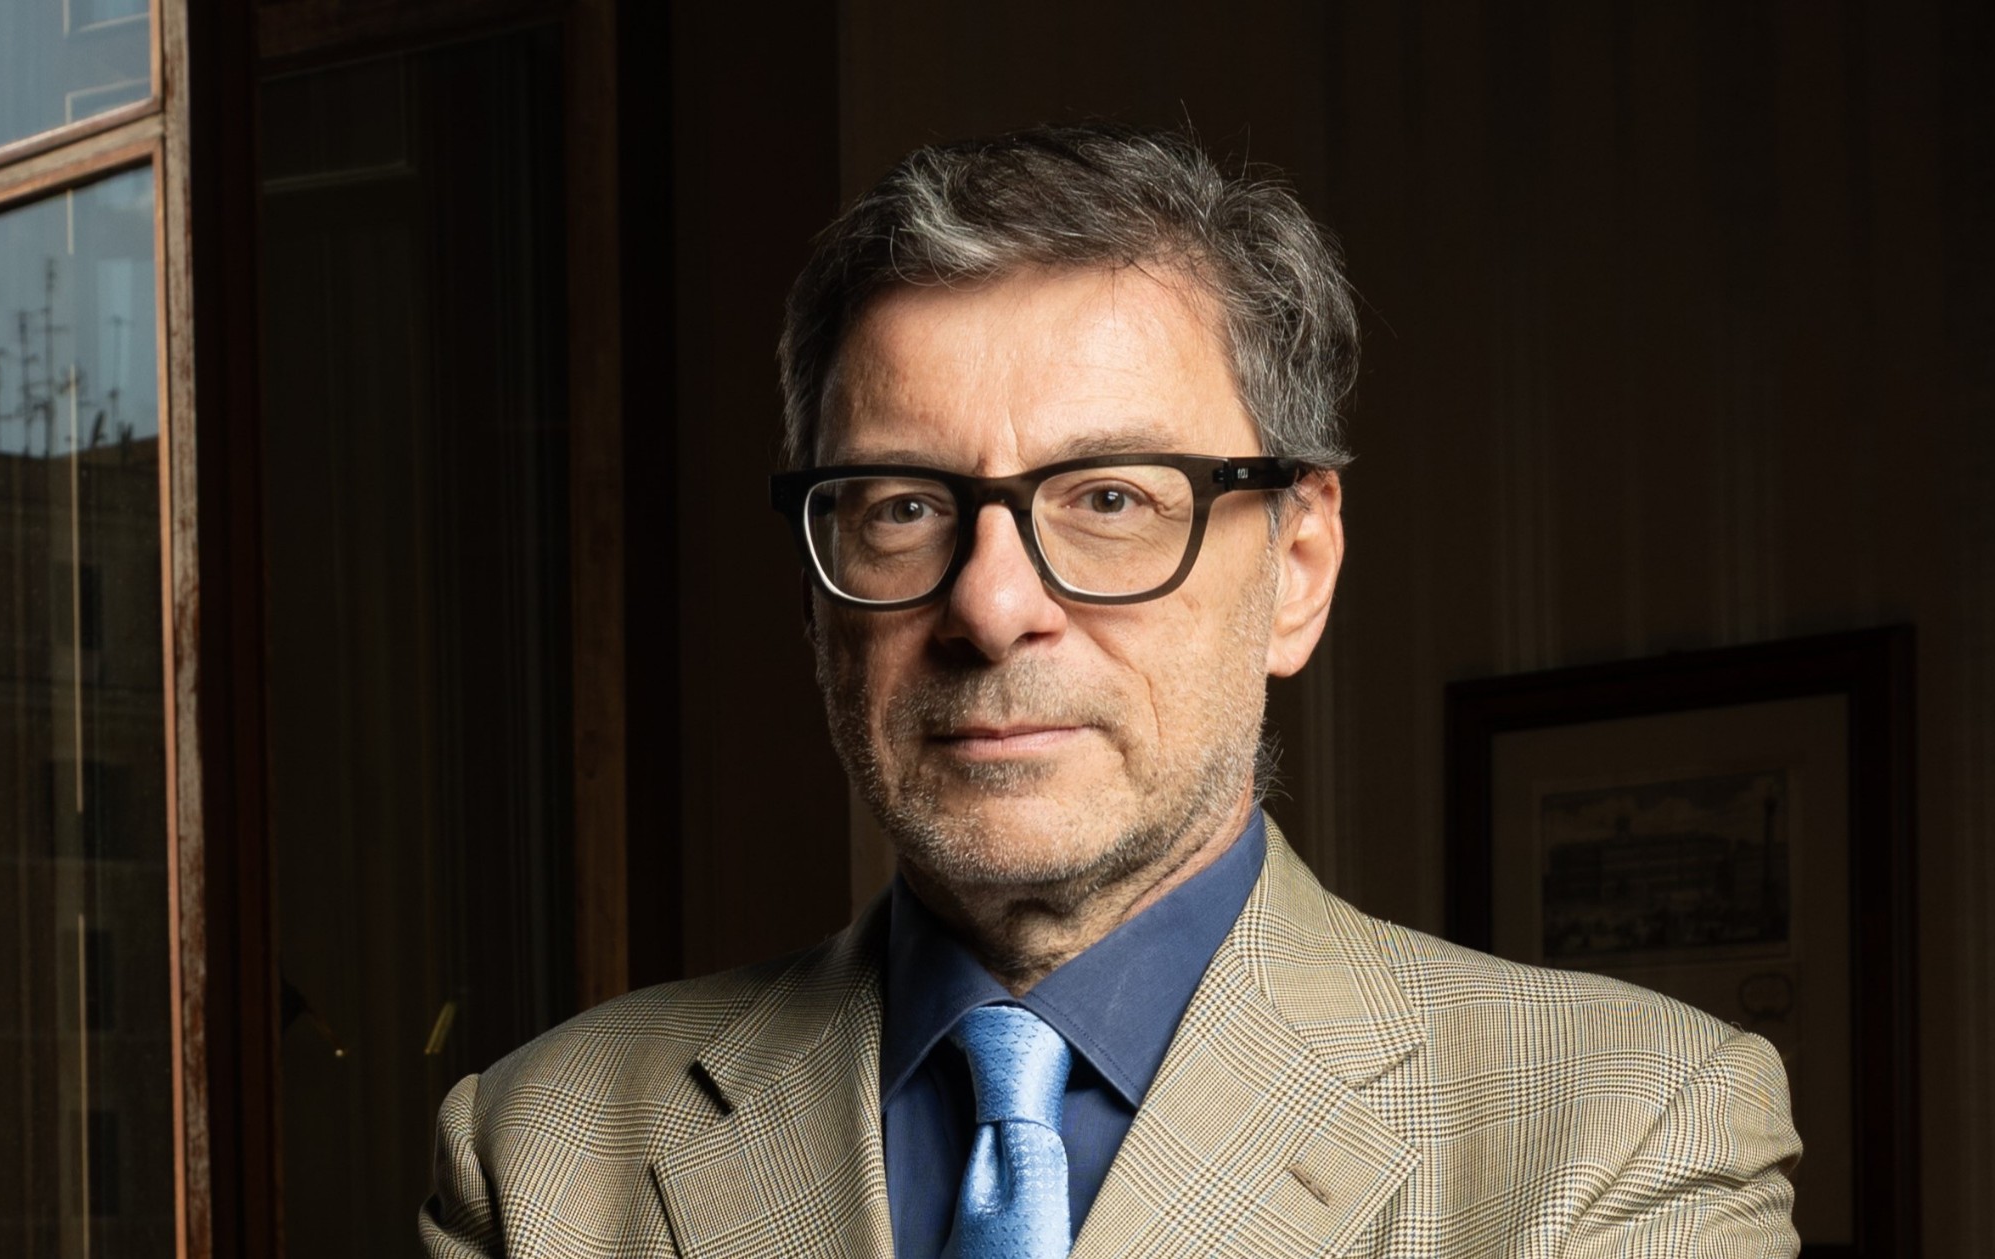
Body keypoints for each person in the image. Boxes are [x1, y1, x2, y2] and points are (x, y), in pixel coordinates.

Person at [420, 125, 1801, 1259]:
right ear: (815, 594)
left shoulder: (1623, 1125)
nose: (990, 604)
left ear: (1298, 568)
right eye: (903, 506)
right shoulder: (543, 1154)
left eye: (1111, 499)